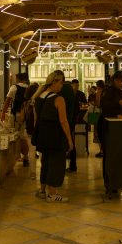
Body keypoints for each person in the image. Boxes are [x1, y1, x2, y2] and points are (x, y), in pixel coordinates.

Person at [34, 71, 73, 202]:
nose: (62, 86)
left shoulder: (39, 97)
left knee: (45, 162)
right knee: (56, 163)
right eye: (61, 83)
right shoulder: (58, 99)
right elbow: (63, 121)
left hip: (42, 135)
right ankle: (52, 194)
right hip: (55, 135)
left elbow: (37, 118)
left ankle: (42, 190)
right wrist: (69, 139)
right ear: (54, 82)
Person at [0, 72, 30, 166]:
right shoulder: (29, 88)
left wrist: (3, 114)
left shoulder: (14, 88)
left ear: (18, 79)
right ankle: (25, 157)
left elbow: (7, 101)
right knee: (22, 136)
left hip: (17, 115)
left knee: (16, 136)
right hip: (26, 116)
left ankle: (18, 157)